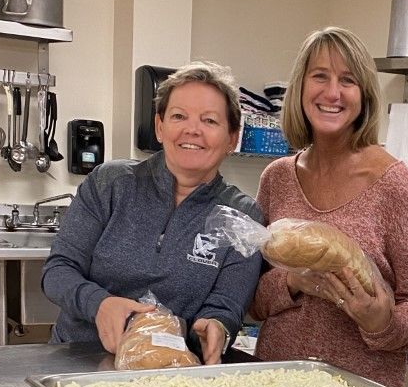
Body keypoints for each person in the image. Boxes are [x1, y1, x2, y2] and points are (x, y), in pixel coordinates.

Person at [249, 26, 408, 387]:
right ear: (301, 88)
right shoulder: (277, 177)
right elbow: (250, 299)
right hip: (271, 386)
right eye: (320, 76)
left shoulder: (397, 185)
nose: (332, 93)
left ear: (363, 95)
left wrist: (381, 323)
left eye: (347, 80)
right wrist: (293, 280)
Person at [42, 61, 262, 363]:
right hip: (79, 359)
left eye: (210, 121)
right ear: (160, 127)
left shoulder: (242, 214)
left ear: (232, 138)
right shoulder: (110, 183)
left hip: (171, 373)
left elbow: (227, 303)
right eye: (179, 116)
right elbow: (57, 270)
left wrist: (218, 325)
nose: (192, 130)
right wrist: (99, 305)